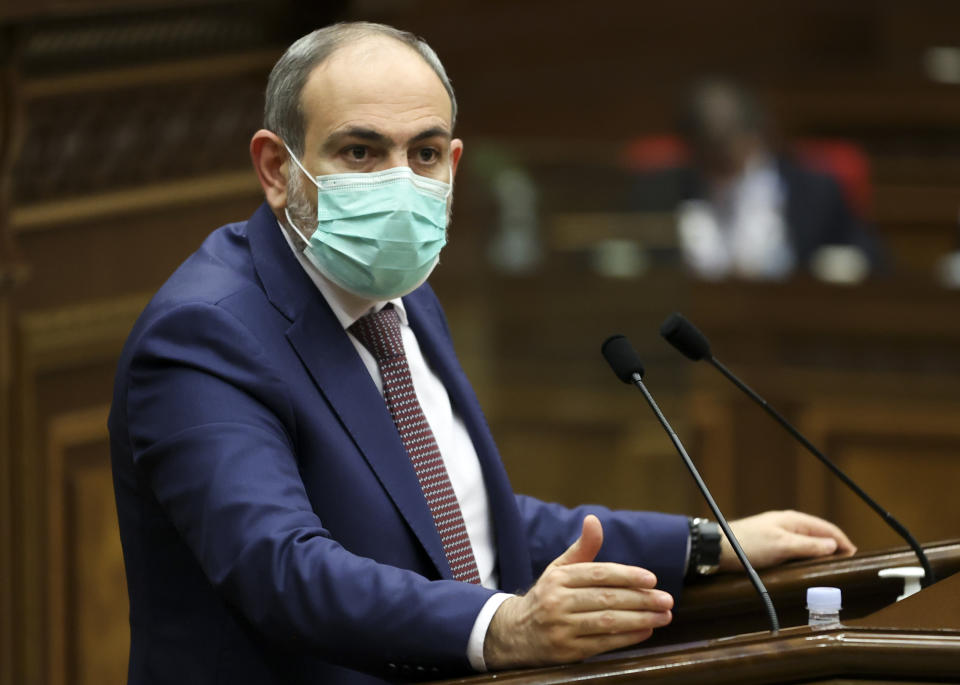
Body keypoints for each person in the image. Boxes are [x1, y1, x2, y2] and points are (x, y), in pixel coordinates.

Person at [108, 23, 856, 684]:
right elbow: (282, 570)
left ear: (454, 163)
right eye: (361, 151)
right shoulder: (205, 334)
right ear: (277, 169)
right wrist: (505, 627)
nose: (400, 184)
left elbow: (461, 522)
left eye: (424, 153)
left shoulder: (399, 292)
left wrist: (701, 545)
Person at [631, 78, 884, 280]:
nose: (721, 163)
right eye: (708, 151)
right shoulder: (659, 195)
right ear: (691, 147)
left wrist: (844, 265)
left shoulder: (814, 191)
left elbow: (873, 258)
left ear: (757, 136)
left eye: (727, 149)